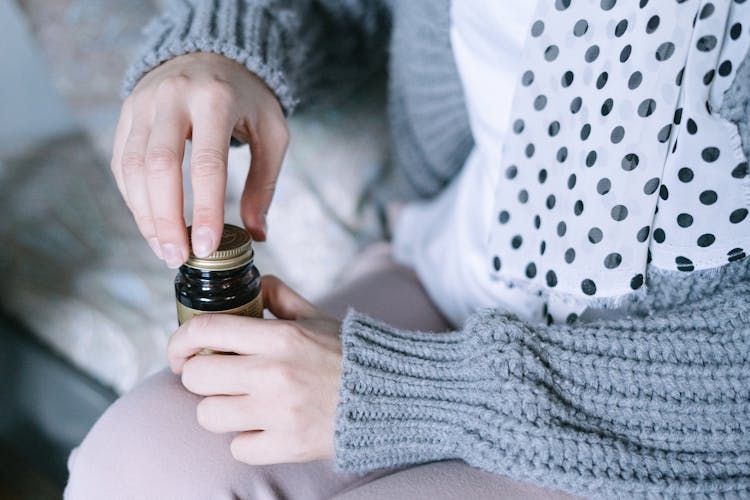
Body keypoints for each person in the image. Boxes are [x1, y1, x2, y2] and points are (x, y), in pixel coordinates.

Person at [66, 1, 750, 498]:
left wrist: (412, 392)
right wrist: (218, 48)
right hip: (457, 275)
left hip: (662, 414)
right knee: (135, 468)